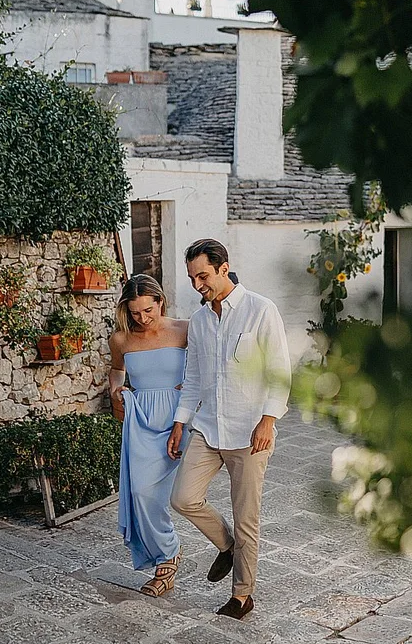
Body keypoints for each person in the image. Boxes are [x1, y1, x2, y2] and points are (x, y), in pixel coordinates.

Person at [168, 239, 291, 620]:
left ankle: (242, 595)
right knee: (183, 498)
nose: (197, 284)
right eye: (191, 278)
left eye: (202, 275)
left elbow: (280, 369)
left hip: (250, 431)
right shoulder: (201, 320)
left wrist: (268, 420)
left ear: (224, 268)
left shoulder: (260, 310)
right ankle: (226, 545)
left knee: (247, 517)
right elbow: (192, 377)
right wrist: (179, 424)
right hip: (207, 428)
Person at [108, 274, 191, 597]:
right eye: (135, 313)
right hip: (141, 420)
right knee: (142, 494)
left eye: (148, 310)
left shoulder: (185, 329)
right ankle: (168, 554)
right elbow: (117, 371)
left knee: (183, 495)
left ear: (160, 302)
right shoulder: (121, 339)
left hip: (181, 418)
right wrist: (117, 390)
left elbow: (205, 364)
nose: (142, 319)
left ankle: (228, 547)